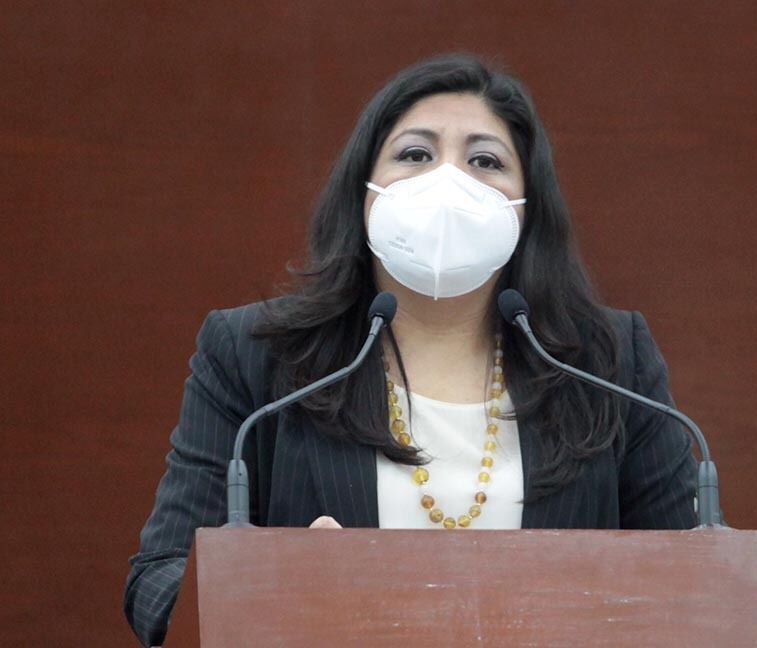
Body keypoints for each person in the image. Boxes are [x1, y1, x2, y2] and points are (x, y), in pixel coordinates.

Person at [124, 53, 697, 647]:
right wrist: (274, 585)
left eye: (485, 161)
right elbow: (157, 583)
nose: (448, 181)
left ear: (527, 207)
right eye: (416, 154)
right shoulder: (257, 356)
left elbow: (701, 581)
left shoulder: (607, 364)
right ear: (364, 189)